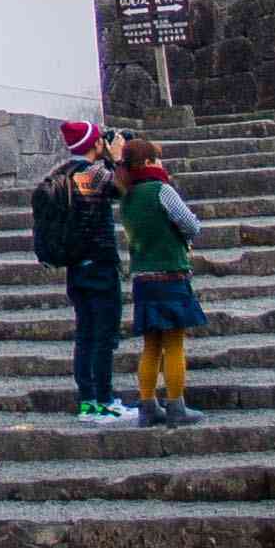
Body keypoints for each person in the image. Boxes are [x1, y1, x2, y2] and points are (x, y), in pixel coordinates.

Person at [29, 118, 131, 423]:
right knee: (104, 335)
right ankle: (105, 400)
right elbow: (121, 189)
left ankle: (87, 401)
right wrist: (118, 158)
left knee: (85, 334)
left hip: (76, 267)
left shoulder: (61, 175)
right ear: (95, 144)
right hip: (99, 264)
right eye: (100, 139)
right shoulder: (94, 173)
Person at [119, 134, 205, 427]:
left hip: (143, 278)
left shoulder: (126, 196)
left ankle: (147, 405)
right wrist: (187, 238)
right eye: (155, 158)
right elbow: (190, 224)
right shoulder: (161, 190)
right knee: (174, 343)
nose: (160, 162)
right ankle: (176, 405)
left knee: (151, 345)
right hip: (170, 273)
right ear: (147, 162)